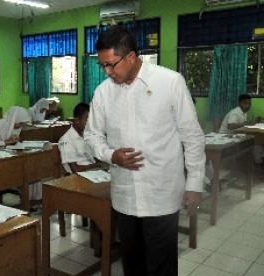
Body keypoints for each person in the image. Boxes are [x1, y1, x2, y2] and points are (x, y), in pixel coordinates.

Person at [84, 27, 205, 276]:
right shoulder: (103, 93)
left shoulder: (170, 82)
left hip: (162, 194)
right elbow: (91, 135)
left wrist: (194, 183)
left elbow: (191, 136)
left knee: (162, 266)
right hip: (125, 196)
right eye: (102, 66)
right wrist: (110, 155)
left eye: (111, 65)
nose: (107, 72)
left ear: (130, 57)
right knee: (133, 264)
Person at [58, 103, 106, 174]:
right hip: (79, 178)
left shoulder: (86, 136)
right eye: (87, 120)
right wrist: (96, 165)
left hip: (94, 173)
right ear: (77, 120)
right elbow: (75, 169)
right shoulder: (66, 140)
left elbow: (93, 157)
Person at [219, 94, 263, 164]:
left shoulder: (244, 113)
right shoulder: (235, 112)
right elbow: (230, 126)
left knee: (256, 140)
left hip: (235, 135)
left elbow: (242, 124)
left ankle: (258, 159)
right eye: (245, 103)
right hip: (226, 136)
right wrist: (246, 123)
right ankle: (257, 161)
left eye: (249, 104)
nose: (248, 105)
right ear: (239, 103)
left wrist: (255, 121)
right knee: (255, 142)